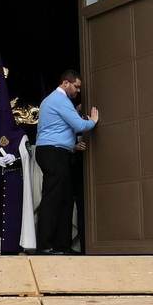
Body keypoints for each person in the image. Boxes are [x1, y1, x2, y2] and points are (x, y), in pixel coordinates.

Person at [36, 70, 97, 254]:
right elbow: (79, 125)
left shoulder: (51, 100)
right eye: (76, 86)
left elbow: (58, 129)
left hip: (56, 152)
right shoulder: (60, 100)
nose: (78, 91)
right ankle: (45, 245)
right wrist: (93, 121)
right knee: (53, 199)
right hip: (53, 153)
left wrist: (72, 146)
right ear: (65, 83)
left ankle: (62, 245)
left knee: (65, 199)